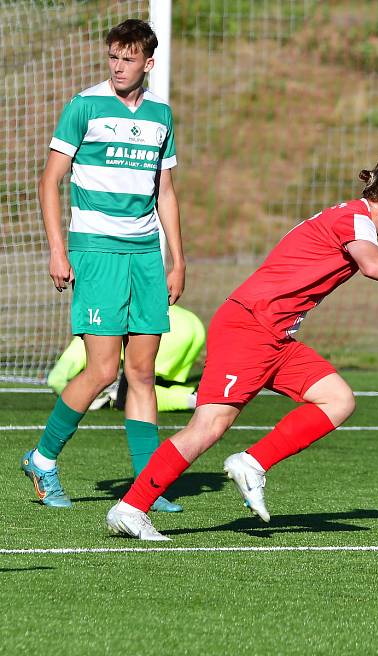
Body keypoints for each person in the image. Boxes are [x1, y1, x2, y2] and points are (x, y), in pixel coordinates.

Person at [105, 156, 378, 540]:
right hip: (250, 328)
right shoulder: (355, 220)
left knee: (338, 399)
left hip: (274, 335)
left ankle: (252, 463)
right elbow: (375, 267)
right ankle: (131, 507)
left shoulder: (353, 219)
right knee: (209, 425)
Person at [21, 19, 185, 513]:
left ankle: (146, 489)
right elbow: (50, 180)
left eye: (128, 58)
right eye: (113, 56)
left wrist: (177, 259)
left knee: (141, 371)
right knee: (101, 369)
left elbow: (166, 192)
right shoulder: (84, 106)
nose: (118, 66)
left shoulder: (161, 114)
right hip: (95, 250)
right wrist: (57, 248)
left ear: (148, 63)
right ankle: (43, 459)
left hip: (145, 255)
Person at [47, 304, 205, 413]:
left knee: (129, 395)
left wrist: (83, 400)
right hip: (191, 323)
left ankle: (191, 400)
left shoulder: (87, 339)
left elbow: (55, 380)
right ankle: (200, 393)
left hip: (169, 328)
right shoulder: (103, 321)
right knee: (157, 382)